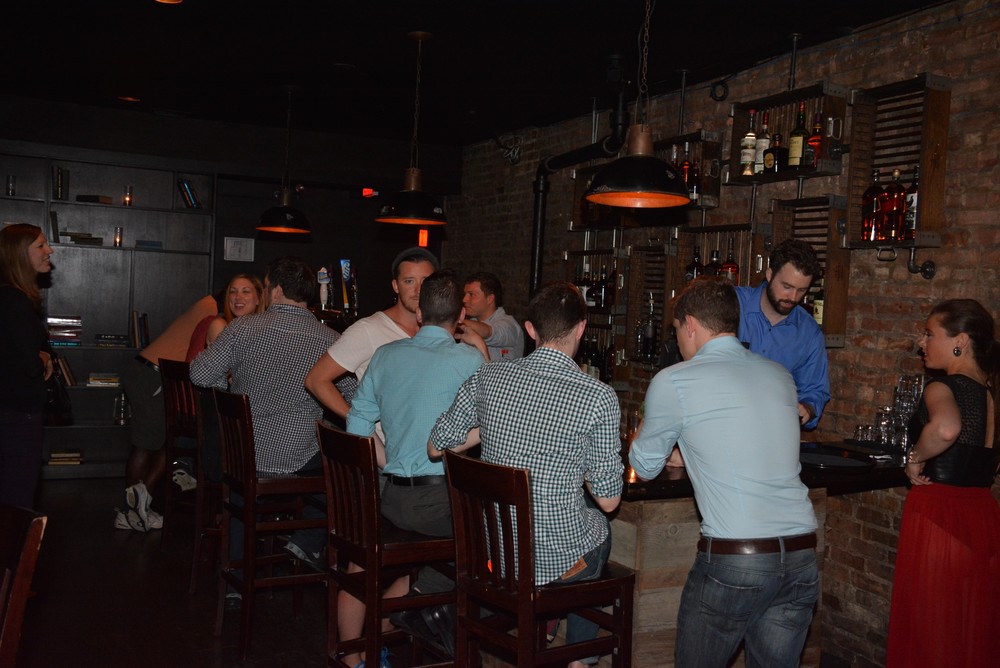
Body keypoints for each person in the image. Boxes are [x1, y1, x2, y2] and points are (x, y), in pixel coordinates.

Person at [430, 280, 623, 668]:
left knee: (581, 523)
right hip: (554, 562)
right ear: (581, 328)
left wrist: (492, 427)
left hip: (494, 558)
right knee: (600, 529)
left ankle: (549, 624)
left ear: (531, 329)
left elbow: (437, 446)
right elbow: (608, 499)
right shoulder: (598, 396)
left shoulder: (489, 378)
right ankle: (579, 659)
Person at [629, 278, 819, 668]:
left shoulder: (675, 379)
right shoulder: (780, 376)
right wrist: (691, 451)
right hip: (800, 555)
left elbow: (644, 466)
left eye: (676, 330)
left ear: (691, 325)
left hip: (737, 560)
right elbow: (751, 443)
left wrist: (655, 434)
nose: (677, 340)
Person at [341, 270, 486, 666]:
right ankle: (418, 609)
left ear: (420, 313)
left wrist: (393, 462)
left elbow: (357, 425)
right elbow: (492, 420)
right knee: (493, 543)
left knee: (440, 553)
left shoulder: (386, 355)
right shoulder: (469, 360)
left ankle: (381, 635)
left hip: (391, 499)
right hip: (439, 506)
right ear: (460, 317)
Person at [190, 256, 346, 571]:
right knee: (346, 473)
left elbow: (200, 375)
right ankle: (307, 542)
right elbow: (354, 397)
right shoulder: (331, 340)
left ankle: (237, 573)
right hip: (299, 457)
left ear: (275, 290)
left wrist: (227, 384)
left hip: (243, 455)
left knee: (246, 477)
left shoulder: (241, 328)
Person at [886, 299, 1000, 667]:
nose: (922, 342)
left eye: (929, 334)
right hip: (983, 517)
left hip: (940, 515)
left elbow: (947, 428)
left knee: (931, 630)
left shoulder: (941, 387)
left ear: (960, 341)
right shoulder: (992, 396)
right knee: (970, 631)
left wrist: (914, 457)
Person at [115, 292, 219, 531]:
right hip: (151, 375)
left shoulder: (208, 307)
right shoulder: (211, 310)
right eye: (235, 292)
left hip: (153, 374)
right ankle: (128, 512)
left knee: (164, 441)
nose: (238, 298)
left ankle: (139, 507)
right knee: (146, 444)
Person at [305, 247, 439, 420]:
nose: (418, 290)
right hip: (385, 437)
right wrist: (359, 423)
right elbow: (316, 380)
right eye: (409, 281)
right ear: (396, 286)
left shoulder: (441, 330)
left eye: (425, 281)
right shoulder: (369, 329)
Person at [735, 238, 829, 429]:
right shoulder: (732, 303)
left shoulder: (809, 333)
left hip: (771, 433)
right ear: (769, 274)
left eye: (801, 290)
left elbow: (815, 392)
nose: (793, 297)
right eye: (787, 287)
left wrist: (807, 409)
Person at [0, 223, 54, 508]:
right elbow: (27, 363)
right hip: (17, 415)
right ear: (19, 254)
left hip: (9, 409)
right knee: (17, 499)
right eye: (41, 246)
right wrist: (43, 358)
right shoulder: (15, 301)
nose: (49, 251)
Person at [185, 273, 263, 361]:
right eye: (233, 292)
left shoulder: (263, 330)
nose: (237, 297)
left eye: (245, 292)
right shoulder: (219, 325)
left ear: (258, 299)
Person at [458, 271, 524, 360]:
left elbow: (490, 332)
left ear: (490, 299)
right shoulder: (471, 323)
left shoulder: (509, 325)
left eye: (471, 295)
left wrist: (453, 321)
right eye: (465, 294)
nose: (464, 299)